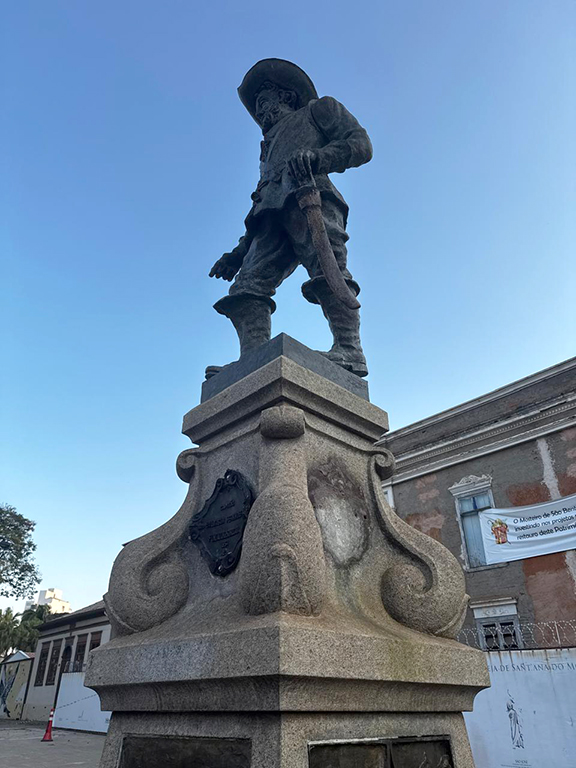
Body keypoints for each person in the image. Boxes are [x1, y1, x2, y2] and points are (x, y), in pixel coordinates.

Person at [209, 58, 373, 377]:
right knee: (246, 287)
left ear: (284, 96)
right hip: (269, 219)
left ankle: (350, 350)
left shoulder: (319, 110)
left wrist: (317, 158)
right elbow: (262, 194)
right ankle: (253, 357)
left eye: (263, 101)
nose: (260, 111)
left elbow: (360, 145)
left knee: (329, 271)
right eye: (256, 105)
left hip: (311, 198)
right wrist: (239, 252)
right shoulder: (267, 146)